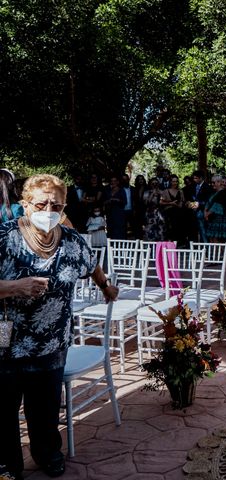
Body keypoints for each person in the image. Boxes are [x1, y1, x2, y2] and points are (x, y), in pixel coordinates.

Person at [0, 174, 118, 480]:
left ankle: (47, 453)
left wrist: (106, 287)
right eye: (41, 203)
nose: (49, 209)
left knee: (45, 407)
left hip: (52, 342)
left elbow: (92, 265)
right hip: (5, 343)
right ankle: (6, 465)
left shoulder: (71, 241)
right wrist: (16, 287)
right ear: (25, 205)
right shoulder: (4, 237)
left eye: (56, 204)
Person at [185, 170, 213, 243]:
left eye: (196, 178)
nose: (194, 180)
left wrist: (199, 204)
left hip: (202, 212)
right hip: (193, 213)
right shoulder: (193, 186)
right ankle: (195, 249)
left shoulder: (207, 187)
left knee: (203, 232)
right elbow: (190, 197)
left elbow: (209, 201)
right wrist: (188, 202)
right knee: (193, 232)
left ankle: (205, 249)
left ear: (201, 178)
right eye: (194, 178)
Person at [204, 175, 226, 244]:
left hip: (220, 219)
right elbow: (208, 203)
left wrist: (207, 214)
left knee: (218, 241)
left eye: (214, 182)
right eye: (211, 182)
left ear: (219, 182)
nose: (212, 184)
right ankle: (214, 254)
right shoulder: (213, 193)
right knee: (211, 239)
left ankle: (219, 255)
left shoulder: (224, 193)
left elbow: (217, 206)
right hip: (212, 219)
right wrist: (205, 211)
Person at [160, 175, 186, 246]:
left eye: (176, 181)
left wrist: (178, 205)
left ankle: (178, 245)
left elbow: (182, 202)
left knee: (178, 230)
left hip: (179, 213)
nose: (175, 183)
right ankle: (169, 245)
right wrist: (170, 203)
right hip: (169, 213)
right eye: (173, 181)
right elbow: (161, 202)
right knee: (169, 229)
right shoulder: (165, 191)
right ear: (170, 182)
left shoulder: (180, 191)